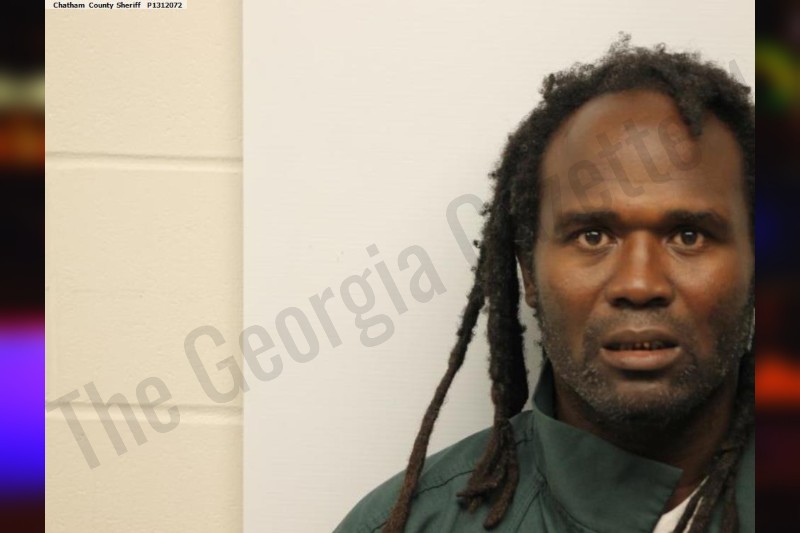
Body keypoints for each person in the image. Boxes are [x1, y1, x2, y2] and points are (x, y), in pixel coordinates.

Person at [334, 35, 754, 533]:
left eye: (688, 236)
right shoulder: (407, 524)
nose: (639, 284)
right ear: (528, 273)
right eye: (592, 236)